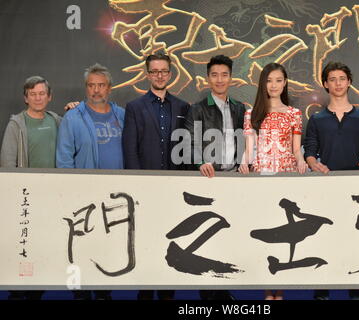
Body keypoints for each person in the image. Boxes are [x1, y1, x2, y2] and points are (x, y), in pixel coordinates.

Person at [304, 61, 359, 300]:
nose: (337, 83)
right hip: (324, 189)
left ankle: (356, 292)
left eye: (342, 78)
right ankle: (321, 292)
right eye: (332, 79)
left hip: (355, 190)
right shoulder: (317, 119)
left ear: (349, 82)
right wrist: (313, 163)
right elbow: (310, 151)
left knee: (355, 241)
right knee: (324, 239)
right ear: (326, 84)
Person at [122, 53, 189, 300]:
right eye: (154, 71)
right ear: (147, 74)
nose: (159, 75)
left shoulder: (183, 107)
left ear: (170, 74)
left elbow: (187, 150)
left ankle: (167, 292)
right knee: (146, 241)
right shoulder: (135, 107)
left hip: (173, 190)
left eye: (164, 71)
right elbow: (130, 150)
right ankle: (145, 291)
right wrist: (139, 186)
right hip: (146, 189)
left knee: (171, 240)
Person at [239, 62, 308, 300]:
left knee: (284, 232)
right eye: (269, 80)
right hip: (262, 177)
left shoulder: (294, 114)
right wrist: (244, 162)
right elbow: (249, 149)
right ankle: (268, 291)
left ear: (285, 83)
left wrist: (301, 161)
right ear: (262, 84)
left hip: (286, 177)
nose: (274, 85)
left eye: (279, 80)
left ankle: (280, 290)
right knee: (267, 232)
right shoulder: (252, 113)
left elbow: (296, 149)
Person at [56, 63, 125, 300]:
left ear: (110, 88)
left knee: (109, 248)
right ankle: (82, 294)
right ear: (86, 88)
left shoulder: (122, 115)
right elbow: (64, 159)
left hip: (115, 197)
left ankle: (104, 292)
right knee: (83, 247)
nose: (96, 90)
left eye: (101, 85)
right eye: (91, 85)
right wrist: (72, 192)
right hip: (84, 197)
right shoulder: (73, 117)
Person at [185, 55, 246, 300]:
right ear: (207, 78)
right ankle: (210, 294)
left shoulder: (241, 108)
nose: (219, 80)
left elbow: (247, 140)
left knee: (231, 233)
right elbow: (189, 140)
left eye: (224, 75)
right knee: (208, 234)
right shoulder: (198, 109)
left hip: (233, 179)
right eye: (214, 75)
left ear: (231, 78)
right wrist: (201, 162)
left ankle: (225, 288)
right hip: (209, 180)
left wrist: (245, 163)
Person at [1, 76, 60, 300]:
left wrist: (77, 108)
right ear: (26, 98)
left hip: (51, 196)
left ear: (49, 96)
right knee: (22, 243)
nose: (38, 98)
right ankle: (17, 289)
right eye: (33, 94)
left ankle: (37, 288)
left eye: (41, 93)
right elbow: (7, 163)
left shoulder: (57, 120)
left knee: (43, 243)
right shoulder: (16, 124)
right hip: (25, 197)